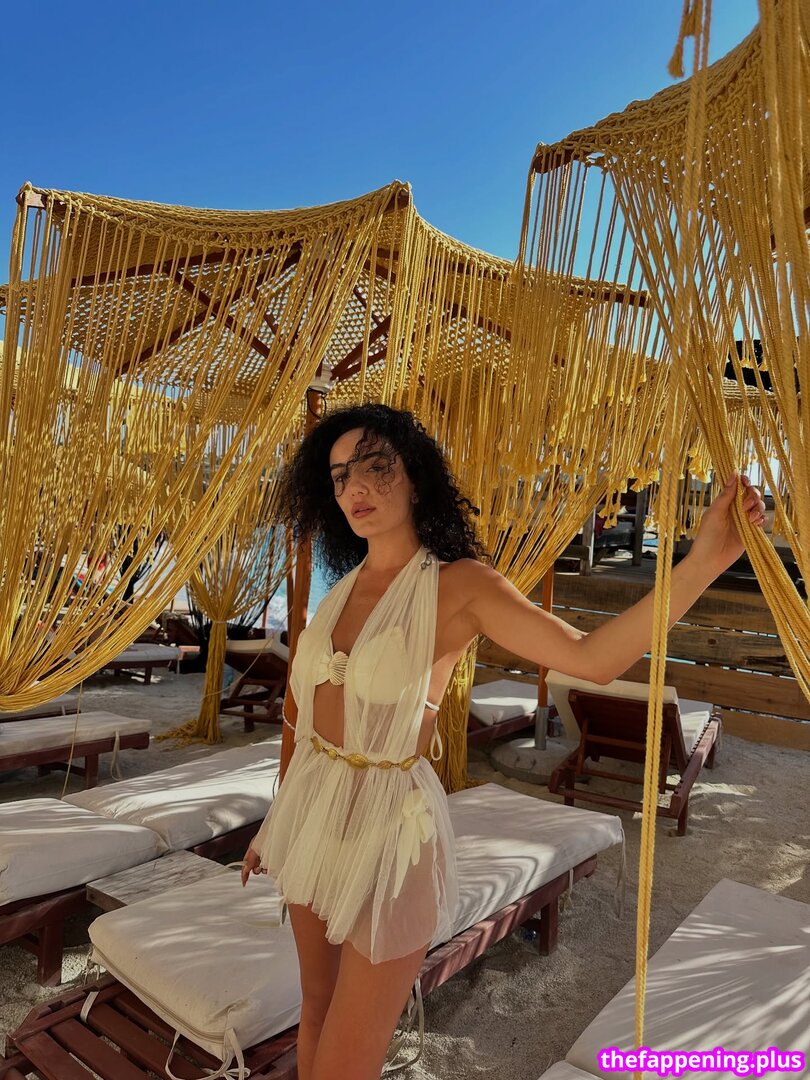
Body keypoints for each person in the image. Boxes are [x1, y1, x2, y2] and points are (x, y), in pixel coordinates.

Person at [241, 403, 766, 1080]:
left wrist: (702, 564)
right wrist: (277, 823)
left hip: (389, 832)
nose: (355, 488)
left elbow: (593, 658)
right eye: (340, 476)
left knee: (346, 1060)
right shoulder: (339, 590)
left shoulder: (459, 587)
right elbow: (298, 715)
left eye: (375, 466)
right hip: (311, 816)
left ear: (416, 476)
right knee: (313, 1010)